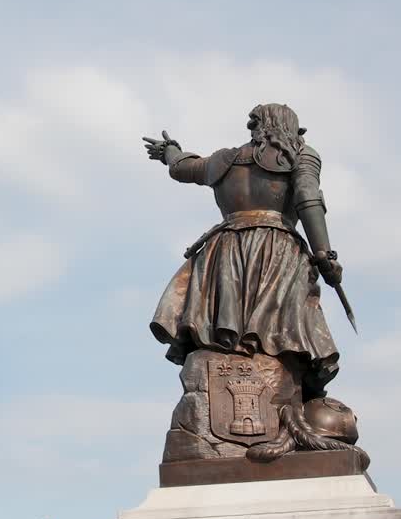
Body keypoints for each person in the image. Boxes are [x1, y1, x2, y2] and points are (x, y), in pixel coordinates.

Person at [142, 103, 342, 401]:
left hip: (224, 252)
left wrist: (169, 149)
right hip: (277, 252)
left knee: (231, 334)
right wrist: (324, 254)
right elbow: (307, 197)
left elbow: (182, 167)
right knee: (282, 332)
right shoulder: (300, 154)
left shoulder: (224, 160)